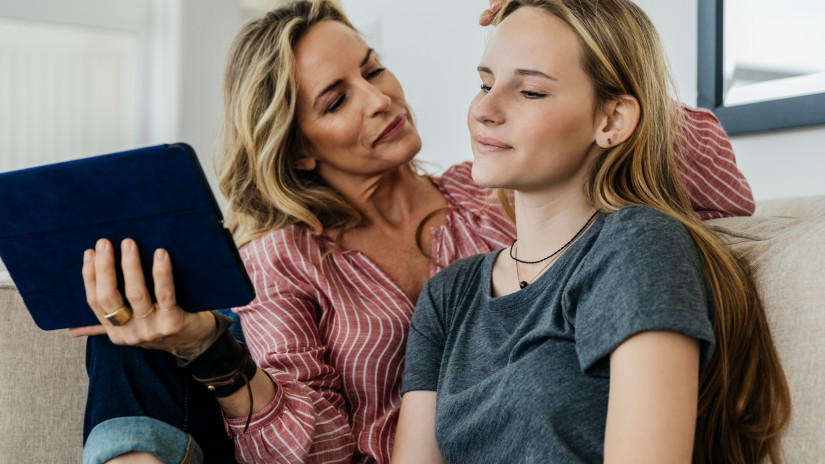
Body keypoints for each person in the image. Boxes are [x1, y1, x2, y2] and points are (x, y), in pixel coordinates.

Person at [72, 0, 759, 463]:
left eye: (372, 68)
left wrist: (577, 31)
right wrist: (211, 354)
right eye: (338, 100)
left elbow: (709, 191)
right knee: (140, 339)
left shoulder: (490, 190)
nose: (380, 99)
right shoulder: (287, 257)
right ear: (300, 146)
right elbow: (320, 447)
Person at [392, 1, 790, 463]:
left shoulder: (637, 245)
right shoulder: (448, 295)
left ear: (610, 121)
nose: (484, 108)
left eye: (531, 92)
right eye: (484, 83)